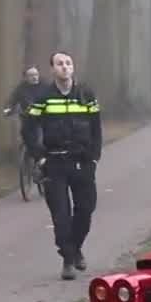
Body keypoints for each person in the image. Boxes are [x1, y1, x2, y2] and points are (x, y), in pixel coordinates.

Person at [22, 51, 102, 280]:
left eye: (68, 63)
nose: (65, 67)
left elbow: (96, 128)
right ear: (52, 69)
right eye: (60, 64)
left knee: (86, 210)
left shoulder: (86, 94)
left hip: (82, 162)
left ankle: (75, 248)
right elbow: (28, 128)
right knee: (61, 215)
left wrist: (94, 157)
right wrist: (40, 157)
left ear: (73, 67)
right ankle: (68, 259)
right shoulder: (44, 97)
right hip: (54, 163)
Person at [2, 65, 40, 139]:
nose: (34, 77)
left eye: (36, 74)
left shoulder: (45, 86)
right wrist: (8, 111)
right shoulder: (21, 89)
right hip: (27, 120)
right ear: (25, 77)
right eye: (31, 75)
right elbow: (10, 102)